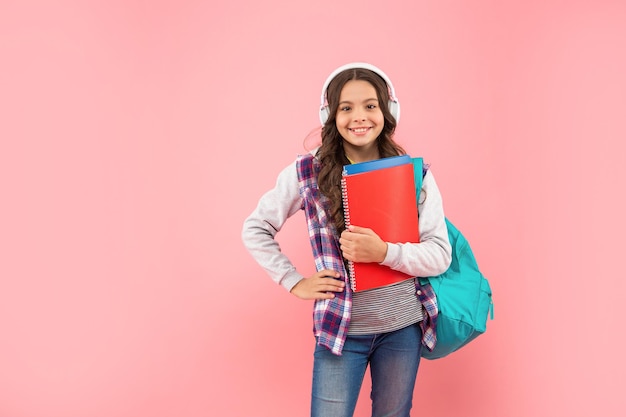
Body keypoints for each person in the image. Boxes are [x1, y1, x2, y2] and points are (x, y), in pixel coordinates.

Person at [241, 62, 452, 417]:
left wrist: (383, 252)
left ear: (388, 111)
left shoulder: (415, 174)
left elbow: (440, 255)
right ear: (331, 115)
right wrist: (293, 282)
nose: (360, 117)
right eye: (346, 107)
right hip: (341, 330)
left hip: (403, 330)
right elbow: (255, 228)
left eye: (371, 105)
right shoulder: (306, 171)